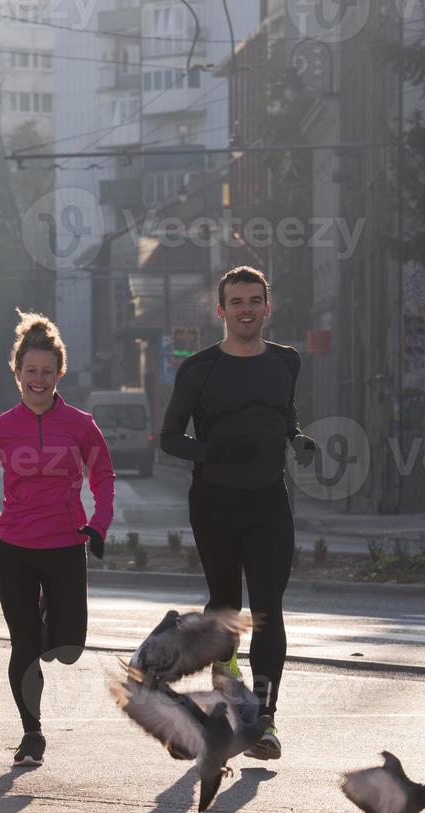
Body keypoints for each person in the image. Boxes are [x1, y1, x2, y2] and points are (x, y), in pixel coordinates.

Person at [159, 266, 317, 761]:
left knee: (268, 608)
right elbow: (169, 437)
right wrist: (216, 453)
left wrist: (296, 437)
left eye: (255, 301)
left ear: (267, 308)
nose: (246, 309)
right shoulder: (199, 369)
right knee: (226, 607)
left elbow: (282, 413)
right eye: (237, 301)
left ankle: (263, 720)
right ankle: (225, 675)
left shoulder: (286, 362)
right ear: (220, 310)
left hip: (270, 501)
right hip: (214, 503)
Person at [0, 312, 115, 768]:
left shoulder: (81, 424)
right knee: (23, 644)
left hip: (65, 544)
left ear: (59, 374)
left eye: (47, 372)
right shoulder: (3, 427)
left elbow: (103, 475)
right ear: (17, 372)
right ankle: (31, 733)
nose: (38, 380)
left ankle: (50, 621)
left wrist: (99, 523)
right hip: (16, 549)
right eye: (31, 371)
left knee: (67, 648)